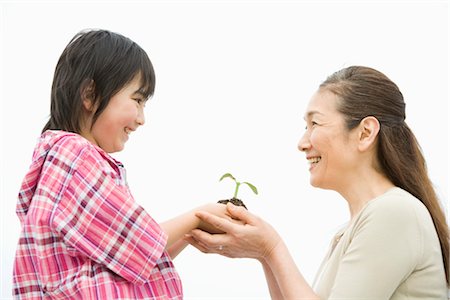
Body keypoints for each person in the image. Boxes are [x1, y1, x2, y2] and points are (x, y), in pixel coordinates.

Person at [187, 66, 449, 299]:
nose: (302, 143)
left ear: (365, 133)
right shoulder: (360, 225)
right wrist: (264, 254)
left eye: (315, 123)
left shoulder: (393, 213)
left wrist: (272, 248)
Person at [12, 29, 230, 299]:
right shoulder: (75, 155)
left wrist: (190, 232)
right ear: (90, 95)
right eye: (137, 100)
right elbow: (138, 242)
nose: (141, 119)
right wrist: (201, 215)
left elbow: (129, 259)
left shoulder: (58, 161)